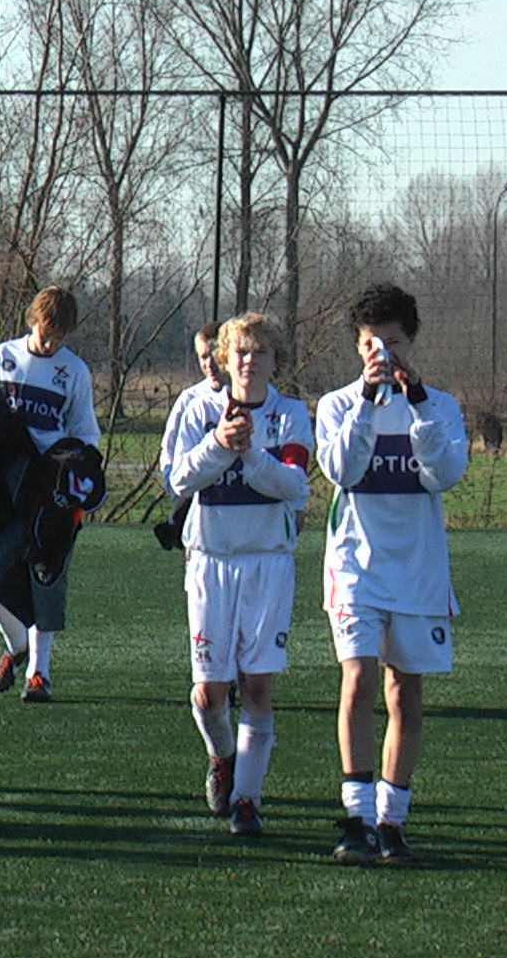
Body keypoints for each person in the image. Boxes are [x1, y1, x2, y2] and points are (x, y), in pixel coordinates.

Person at [316, 284, 468, 865]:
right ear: (358, 347)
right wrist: (367, 401)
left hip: (417, 571)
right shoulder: (337, 405)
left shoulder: (440, 406)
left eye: (394, 342)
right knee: (357, 679)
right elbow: (341, 469)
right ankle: (356, 817)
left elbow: (444, 474)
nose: (383, 353)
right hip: (356, 567)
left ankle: (392, 821)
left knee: (404, 691)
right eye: (371, 344)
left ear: (412, 341)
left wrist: (418, 404)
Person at [162, 313, 311, 837]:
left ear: (276, 361)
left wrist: (252, 456)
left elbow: (294, 485)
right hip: (210, 560)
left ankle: (248, 799)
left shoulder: (290, 415)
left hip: (268, 563)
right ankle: (222, 757)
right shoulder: (198, 409)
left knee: (257, 685)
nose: (249, 362)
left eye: (260, 352)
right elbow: (178, 479)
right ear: (224, 360)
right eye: (241, 352)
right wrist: (220, 444)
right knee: (209, 693)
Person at [0, 286, 102, 703]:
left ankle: (39, 673)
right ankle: (17, 648)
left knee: (45, 574)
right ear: (33, 321)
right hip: (3, 479)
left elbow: (85, 432)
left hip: (48, 485)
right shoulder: (3, 357)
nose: (50, 344)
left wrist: (77, 466)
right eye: (46, 333)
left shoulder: (75, 371)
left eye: (59, 337)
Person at [154, 321, 222, 551]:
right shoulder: (190, 399)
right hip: (197, 510)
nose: (209, 363)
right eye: (203, 357)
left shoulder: (247, 396)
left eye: (214, 355)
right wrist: (178, 498)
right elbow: (170, 453)